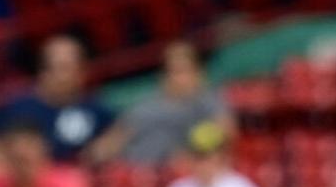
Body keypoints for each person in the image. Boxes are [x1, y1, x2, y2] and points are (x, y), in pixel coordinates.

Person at [90, 40, 231, 165]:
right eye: (173, 71)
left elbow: (226, 131)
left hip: (178, 172)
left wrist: (190, 153)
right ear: (163, 76)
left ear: (198, 73)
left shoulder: (208, 100)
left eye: (185, 71)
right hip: (136, 172)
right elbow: (113, 141)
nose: (179, 79)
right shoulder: (145, 107)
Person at [0, 35, 115, 164]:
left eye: (74, 67)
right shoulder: (18, 108)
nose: (67, 76)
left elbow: (119, 131)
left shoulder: (94, 107)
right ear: (43, 72)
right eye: (61, 68)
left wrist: (105, 147)